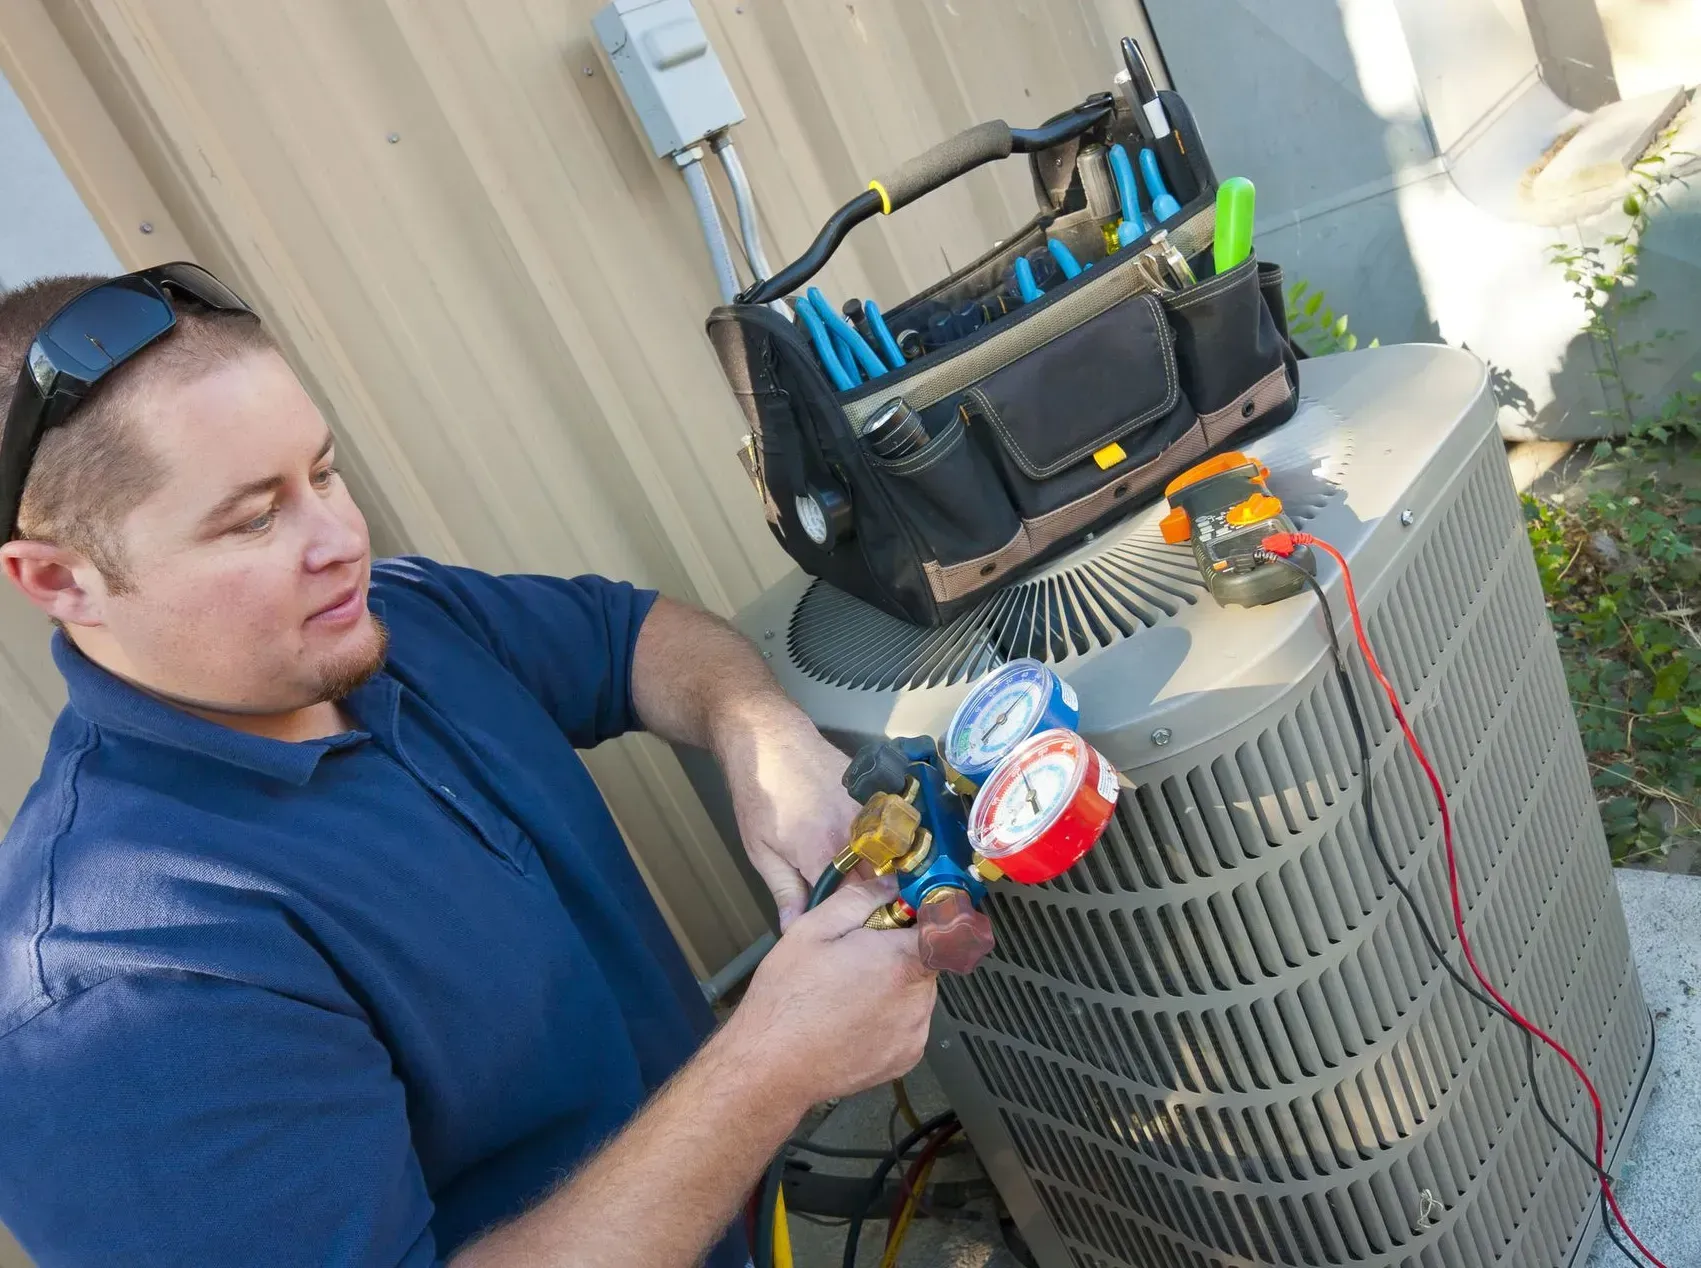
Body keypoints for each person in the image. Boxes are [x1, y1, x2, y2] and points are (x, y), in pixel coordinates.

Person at [0, 265, 938, 1267]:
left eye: (322, 470)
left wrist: (764, 735)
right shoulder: (115, 991)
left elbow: (631, 638)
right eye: (254, 517)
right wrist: (769, 1068)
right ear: (61, 580)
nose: (342, 540)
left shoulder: (399, 621)